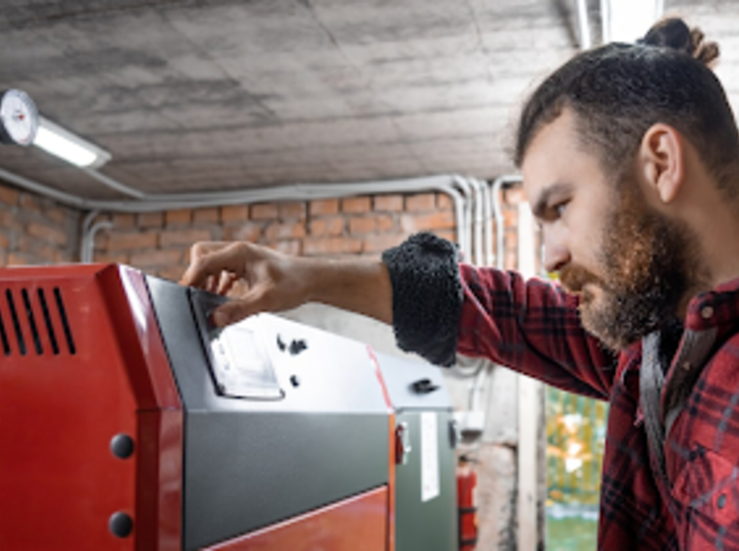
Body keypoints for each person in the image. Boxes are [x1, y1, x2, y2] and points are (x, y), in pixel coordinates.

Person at [181, 18, 739, 550]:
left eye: (560, 207)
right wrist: (306, 277)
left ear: (661, 163)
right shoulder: (659, 344)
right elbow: (506, 312)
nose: (551, 257)